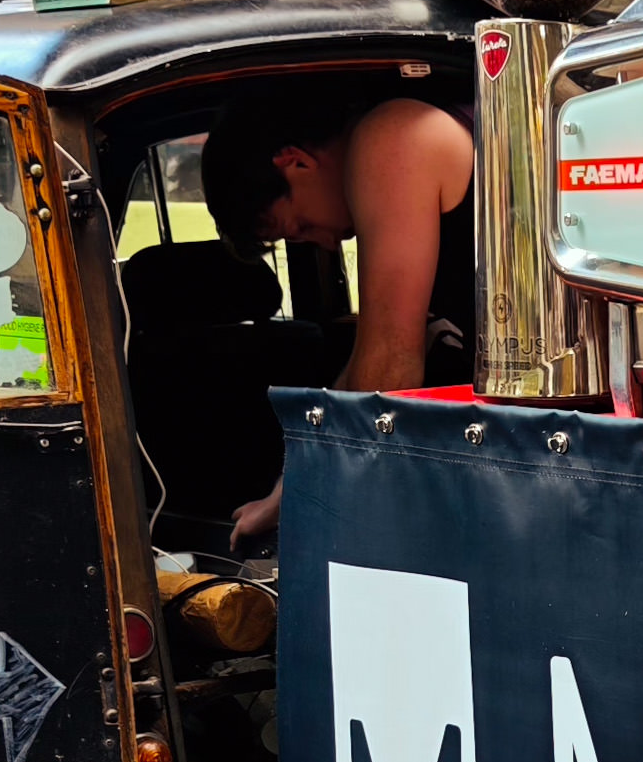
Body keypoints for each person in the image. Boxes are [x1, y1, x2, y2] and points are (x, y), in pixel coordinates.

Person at [199, 88, 478, 545]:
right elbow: (366, 365)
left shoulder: (392, 138)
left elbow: (389, 369)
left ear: (296, 162)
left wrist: (306, 506)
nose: (328, 243)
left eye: (301, 227)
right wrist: (287, 489)